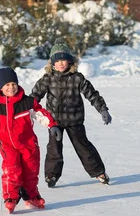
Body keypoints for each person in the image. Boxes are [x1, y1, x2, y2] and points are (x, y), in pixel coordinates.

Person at [0, 67, 63, 214]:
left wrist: (52, 125)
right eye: (7, 85)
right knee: (11, 169)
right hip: (7, 145)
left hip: (28, 144)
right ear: (0, 87)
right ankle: (11, 197)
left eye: (13, 84)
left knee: (31, 170)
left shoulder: (28, 102)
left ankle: (31, 196)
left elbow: (41, 113)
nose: (11, 87)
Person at [31, 39, 111, 188]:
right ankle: (51, 175)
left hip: (75, 120)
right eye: (57, 60)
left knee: (83, 147)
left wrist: (103, 109)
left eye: (64, 60)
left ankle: (99, 171)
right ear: (52, 63)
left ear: (70, 61)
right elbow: (34, 97)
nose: (61, 63)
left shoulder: (77, 78)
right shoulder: (47, 79)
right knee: (54, 148)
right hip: (54, 122)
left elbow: (92, 94)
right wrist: (25, 110)